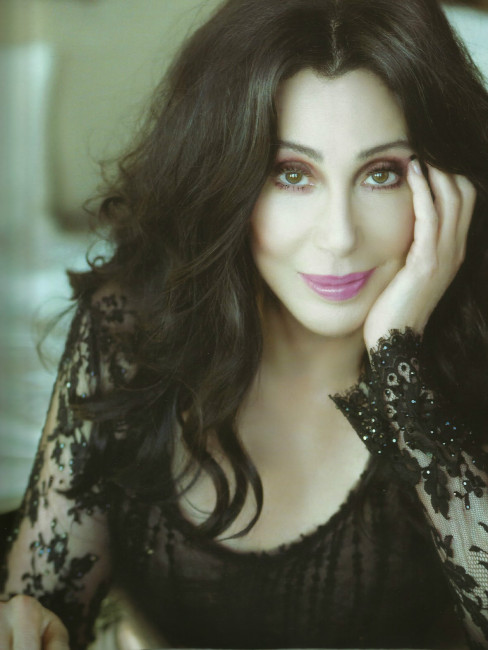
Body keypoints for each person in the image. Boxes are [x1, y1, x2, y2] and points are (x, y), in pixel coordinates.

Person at [1, 0, 488, 647]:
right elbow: (45, 604)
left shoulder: (473, 353)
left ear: (449, 188)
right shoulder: (134, 330)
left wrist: (400, 366)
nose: (339, 237)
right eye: (292, 174)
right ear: (226, 176)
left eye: (381, 174)